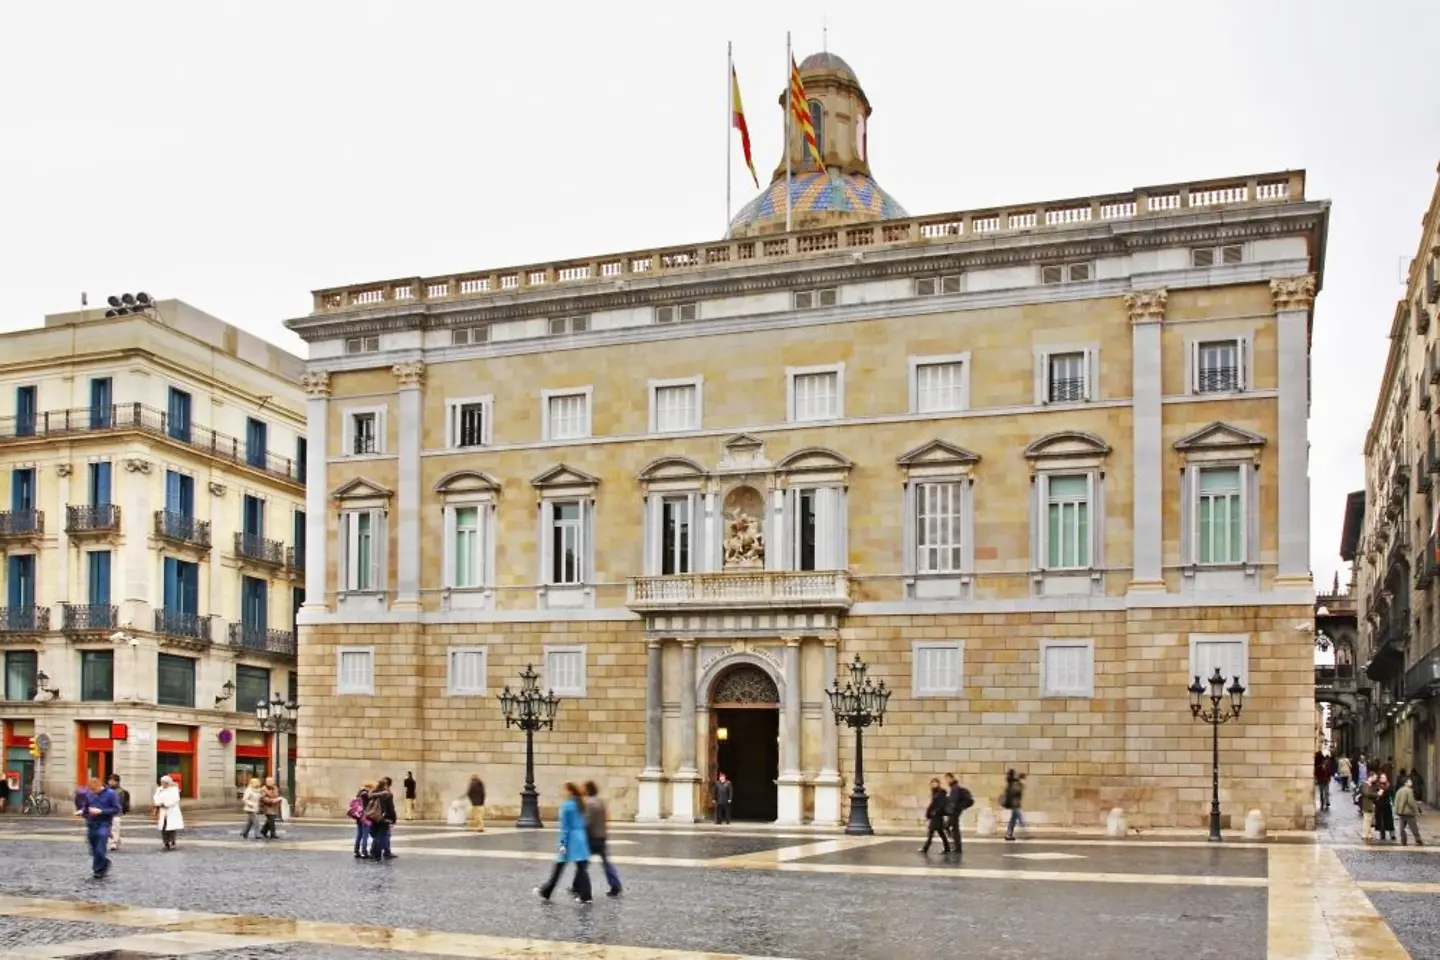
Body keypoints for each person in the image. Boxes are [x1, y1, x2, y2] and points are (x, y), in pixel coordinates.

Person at [534, 782, 592, 903]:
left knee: (560, 865)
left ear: (570, 791)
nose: (563, 792)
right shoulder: (581, 804)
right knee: (581, 867)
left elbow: (565, 828)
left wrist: (562, 845)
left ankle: (547, 891)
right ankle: (586, 895)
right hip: (581, 837)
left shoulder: (567, 806)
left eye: (565, 790)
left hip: (571, 839)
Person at [580, 781, 622, 897]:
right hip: (601, 837)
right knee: (606, 864)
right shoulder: (600, 802)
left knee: (582, 864)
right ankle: (615, 884)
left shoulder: (589, 803)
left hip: (591, 838)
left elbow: (587, 821)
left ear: (588, 790)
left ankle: (577, 885)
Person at [76, 775, 121, 877]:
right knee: (93, 849)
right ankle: (104, 862)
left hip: (104, 823)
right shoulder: (89, 794)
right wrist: (82, 811)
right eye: (90, 790)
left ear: (99, 785)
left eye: (94, 789)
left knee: (100, 847)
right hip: (91, 823)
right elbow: (86, 806)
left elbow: (116, 809)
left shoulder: (111, 794)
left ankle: (98, 870)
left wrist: (101, 811)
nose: (92, 792)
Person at [365, 776, 397, 860]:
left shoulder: (372, 794)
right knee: (381, 836)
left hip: (372, 816)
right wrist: (393, 819)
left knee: (376, 836)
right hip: (383, 817)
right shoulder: (387, 794)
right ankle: (376, 854)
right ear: (386, 785)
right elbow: (391, 808)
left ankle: (373, 852)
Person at [919, 778, 950, 855]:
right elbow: (932, 804)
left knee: (932, 832)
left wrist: (935, 812)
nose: (934, 784)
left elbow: (942, 804)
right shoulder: (934, 792)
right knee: (940, 832)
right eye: (932, 783)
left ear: (938, 784)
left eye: (935, 783)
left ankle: (925, 848)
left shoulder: (941, 792)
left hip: (937, 815)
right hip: (934, 815)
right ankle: (947, 848)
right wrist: (928, 814)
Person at [153, 776, 184, 850]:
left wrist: (166, 804)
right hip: (163, 811)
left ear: (168, 783)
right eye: (162, 782)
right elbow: (156, 798)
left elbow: (175, 799)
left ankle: (172, 841)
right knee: (163, 827)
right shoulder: (159, 790)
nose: (162, 784)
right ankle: (165, 842)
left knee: (171, 827)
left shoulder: (174, 790)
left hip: (171, 811)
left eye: (164, 782)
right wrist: (158, 804)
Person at [944, 772, 972, 852]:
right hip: (956, 811)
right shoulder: (954, 787)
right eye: (946, 779)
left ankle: (955, 844)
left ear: (952, 778)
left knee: (946, 826)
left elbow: (954, 801)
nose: (947, 780)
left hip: (954, 812)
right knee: (955, 828)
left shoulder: (955, 788)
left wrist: (950, 810)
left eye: (948, 778)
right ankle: (957, 846)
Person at [1396, 776, 1424, 846]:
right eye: (1409, 781)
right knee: (1414, 827)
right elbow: (1411, 802)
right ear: (1406, 783)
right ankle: (1418, 840)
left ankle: (1403, 841)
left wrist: (1397, 810)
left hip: (1401, 813)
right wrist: (1416, 810)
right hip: (1409, 812)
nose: (1411, 782)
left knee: (1402, 828)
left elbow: (1396, 801)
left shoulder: (1399, 790)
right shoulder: (1409, 790)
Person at [350, 781, 375, 858]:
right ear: (369, 787)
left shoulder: (359, 794)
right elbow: (368, 806)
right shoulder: (366, 794)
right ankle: (364, 852)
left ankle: (356, 850)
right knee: (365, 836)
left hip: (359, 817)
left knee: (359, 835)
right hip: (365, 817)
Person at [106, 774, 130, 851]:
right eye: (110, 781)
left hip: (116, 812)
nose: (111, 782)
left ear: (117, 782)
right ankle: (116, 840)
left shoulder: (120, 791)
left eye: (113, 781)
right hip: (107, 812)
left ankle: (114, 843)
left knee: (115, 828)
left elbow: (121, 802)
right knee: (108, 829)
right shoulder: (106, 790)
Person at [1003, 770, 1027, 841]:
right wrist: (1022, 784)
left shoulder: (1015, 783)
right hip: (1015, 804)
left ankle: (1009, 834)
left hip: (1015, 804)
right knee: (1019, 819)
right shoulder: (1016, 783)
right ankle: (1024, 832)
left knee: (1013, 820)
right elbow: (1016, 791)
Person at [1375, 774, 1396, 842]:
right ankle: (1382, 835)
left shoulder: (1389, 786)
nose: (1383, 778)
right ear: (1380, 778)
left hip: (1387, 806)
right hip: (1379, 806)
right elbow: (1374, 795)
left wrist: (1393, 802)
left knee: (1390, 821)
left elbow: (1393, 795)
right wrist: (1378, 795)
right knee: (1381, 822)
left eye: (1384, 777)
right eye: (1382, 777)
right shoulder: (1377, 785)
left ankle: (1392, 835)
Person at [1361, 773, 1378, 842]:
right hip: (1367, 804)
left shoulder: (1370, 785)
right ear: (1370, 777)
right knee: (1367, 819)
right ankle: (1365, 834)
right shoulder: (1366, 784)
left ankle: (1368, 833)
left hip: (1369, 804)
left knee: (1369, 820)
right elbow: (1367, 794)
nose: (1375, 779)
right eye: (1374, 777)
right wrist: (1376, 794)